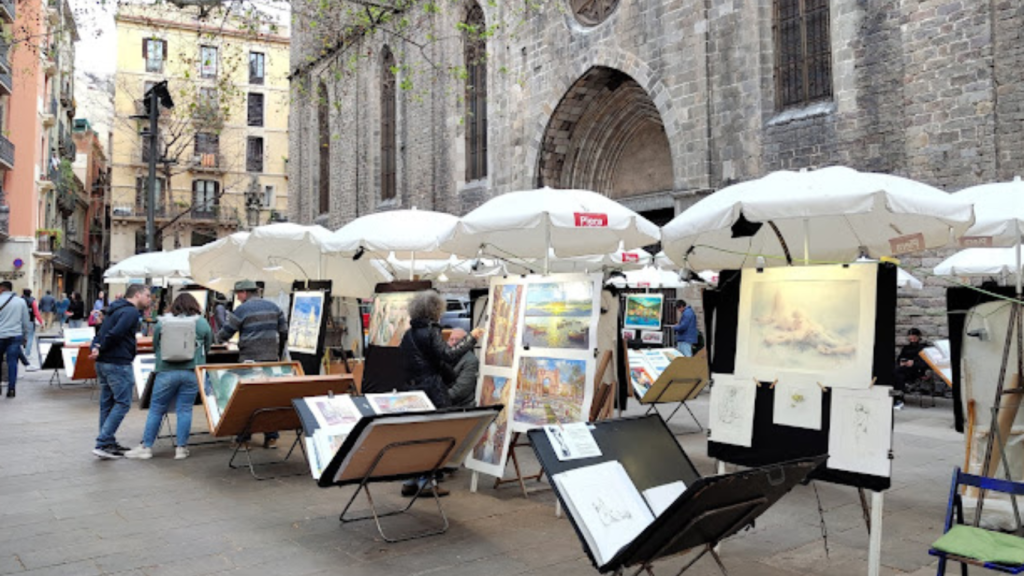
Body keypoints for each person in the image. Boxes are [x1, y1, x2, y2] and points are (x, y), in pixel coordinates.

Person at [399, 291, 483, 497]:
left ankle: (410, 480)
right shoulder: (430, 332)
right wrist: (472, 338)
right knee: (433, 436)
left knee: (416, 435)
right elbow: (448, 354)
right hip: (431, 391)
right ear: (435, 311)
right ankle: (427, 482)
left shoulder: (408, 334)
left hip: (412, 390)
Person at [125, 293, 213, 460]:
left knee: (157, 409)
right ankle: (181, 448)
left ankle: (146, 447)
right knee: (185, 410)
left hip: (165, 371)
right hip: (191, 372)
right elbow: (208, 344)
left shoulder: (163, 321)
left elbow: (155, 344)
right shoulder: (201, 322)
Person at [216, 279, 288, 449]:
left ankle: (244, 439)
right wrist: (277, 354)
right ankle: (271, 438)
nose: (238, 298)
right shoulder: (274, 307)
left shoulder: (242, 310)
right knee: (268, 399)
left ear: (244, 293)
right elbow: (284, 332)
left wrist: (220, 338)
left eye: (238, 294)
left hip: (249, 360)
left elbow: (225, 334)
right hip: (270, 360)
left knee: (246, 399)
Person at [89, 284, 152, 459]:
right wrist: (100, 348)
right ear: (137, 295)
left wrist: (96, 347)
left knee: (107, 403)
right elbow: (115, 334)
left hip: (103, 363)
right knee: (123, 403)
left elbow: (101, 333)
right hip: (118, 363)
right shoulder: (131, 312)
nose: (149, 299)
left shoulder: (114, 310)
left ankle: (107, 442)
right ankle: (103, 442)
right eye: (147, 295)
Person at [0, 281, 31, 398]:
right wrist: (25, 337)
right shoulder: (21, 302)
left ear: (2, 289)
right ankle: (11, 389)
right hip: (15, 336)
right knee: (12, 362)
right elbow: (25, 321)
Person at [442, 328, 479, 408]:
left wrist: (438, 399)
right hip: (446, 404)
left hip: (461, 407)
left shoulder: (471, 360)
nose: (454, 342)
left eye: (458, 340)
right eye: (451, 339)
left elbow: (461, 390)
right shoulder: (445, 357)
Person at [893, 328, 929, 411]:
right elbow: (899, 359)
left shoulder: (923, 348)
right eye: (910, 336)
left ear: (918, 336)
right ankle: (897, 398)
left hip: (917, 371)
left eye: (914, 336)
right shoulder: (906, 348)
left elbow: (926, 363)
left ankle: (899, 399)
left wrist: (914, 363)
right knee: (896, 373)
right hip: (904, 369)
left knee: (897, 373)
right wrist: (901, 362)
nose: (912, 338)